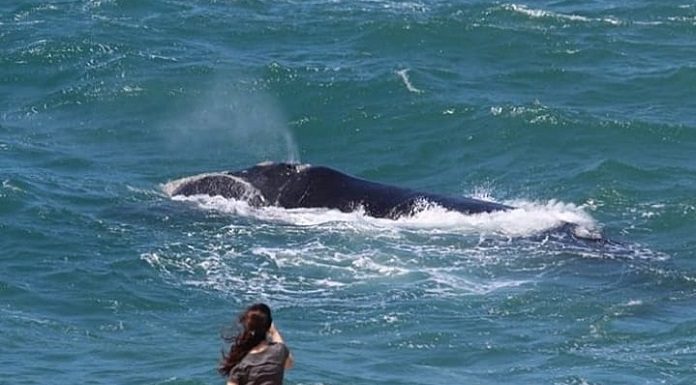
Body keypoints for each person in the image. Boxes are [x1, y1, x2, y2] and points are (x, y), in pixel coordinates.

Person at [219, 303, 294, 385]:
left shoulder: (241, 366)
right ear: (268, 325)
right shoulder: (279, 350)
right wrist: (274, 331)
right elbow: (288, 364)